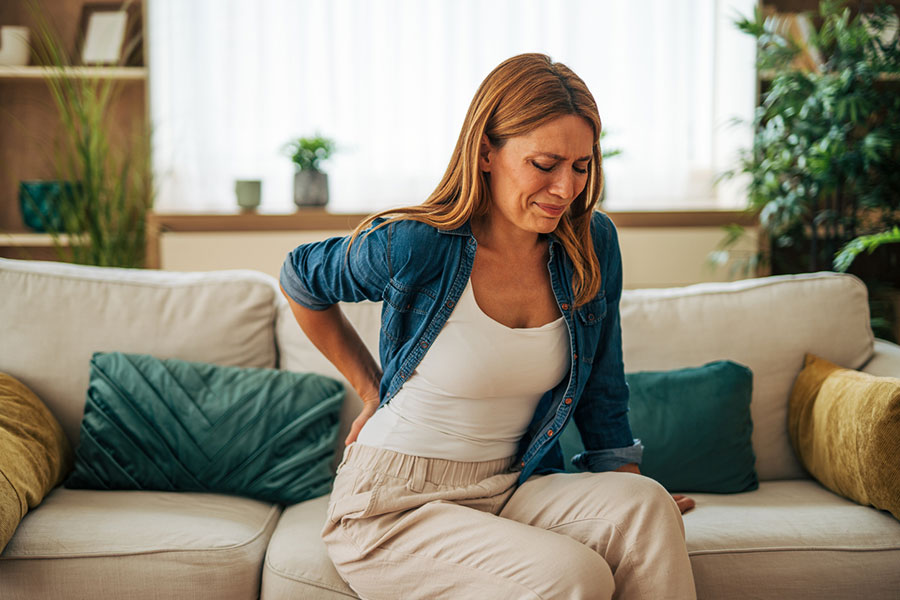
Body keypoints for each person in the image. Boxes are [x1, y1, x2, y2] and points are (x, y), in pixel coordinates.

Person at [280, 53, 697, 600]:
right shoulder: (418, 244)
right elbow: (299, 277)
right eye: (545, 164)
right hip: (392, 505)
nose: (566, 188)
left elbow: (602, 384)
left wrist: (620, 485)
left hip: (510, 482)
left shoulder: (592, 244)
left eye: (582, 166)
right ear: (485, 153)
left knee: (648, 507)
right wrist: (370, 388)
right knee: (576, 577)